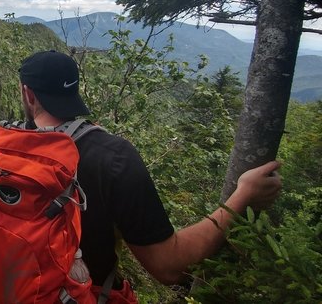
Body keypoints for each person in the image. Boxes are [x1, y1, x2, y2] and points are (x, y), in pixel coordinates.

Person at [16, 50, 282, 290]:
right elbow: (169, 266)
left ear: (28, 94)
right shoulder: (112, 157)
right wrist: (243, 195)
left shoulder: (4, 148)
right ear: (75, 90)